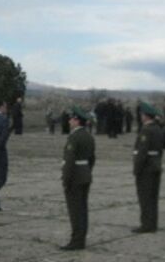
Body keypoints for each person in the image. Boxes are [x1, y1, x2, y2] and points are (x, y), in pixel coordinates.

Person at [60, 106, 96, 250]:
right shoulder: (88, 136)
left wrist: (65, 179)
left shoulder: (74, 137)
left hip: (75, 176)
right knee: (82, 209)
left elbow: (69, 161)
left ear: (76, 120)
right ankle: (80, 239)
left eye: (71, 119)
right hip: (85, 174)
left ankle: (76, 241)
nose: (69, 121)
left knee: (75, 211)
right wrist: (86, 170)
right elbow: (92, 158)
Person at [132, 102, 163, 233]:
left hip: (146, 167)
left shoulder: (146, 130)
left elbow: (142, 152)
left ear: (145, 116)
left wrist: (136, 168)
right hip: (156, 164)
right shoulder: (158, 128)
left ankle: (146, 224)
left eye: (142, 115)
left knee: (145, 197)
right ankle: (153, 223)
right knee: (153, 197)